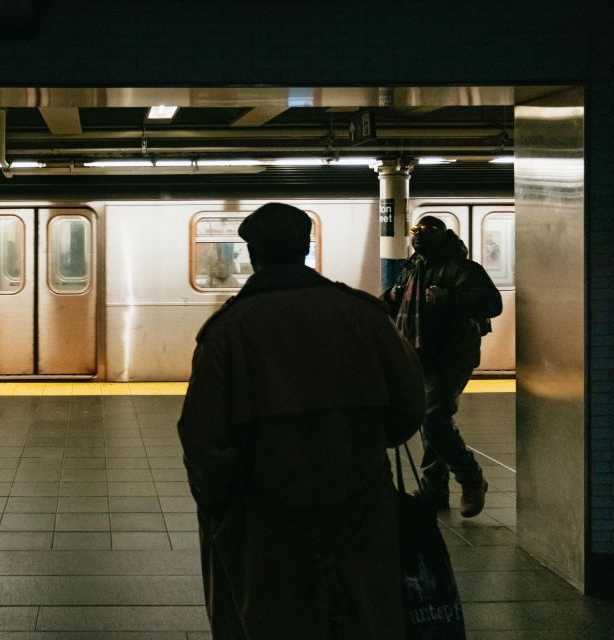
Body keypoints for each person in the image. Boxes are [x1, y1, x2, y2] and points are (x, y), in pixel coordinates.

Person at [177, 202, 426, 640]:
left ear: (253, 254)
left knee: (273, 619)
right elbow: (409, 408)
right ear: (306, 247)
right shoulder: (365, 315)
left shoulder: (228, 331)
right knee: (365, 617)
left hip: (264, 518)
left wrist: (225, 506)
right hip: (361, 507)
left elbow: (203, 439)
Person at [383, 215, 503, 518]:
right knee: (429, 421)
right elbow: (393, 303)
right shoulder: (413, 267)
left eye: (425, 232)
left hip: (451, 356)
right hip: (417, 353)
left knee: (435, 418)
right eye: (415, 231)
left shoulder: (462, 269)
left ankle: (471, 478)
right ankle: (433, 489)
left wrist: (448, 298)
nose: (417, 237)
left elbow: (492, 303)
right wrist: (391, 297)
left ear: (441, 235)